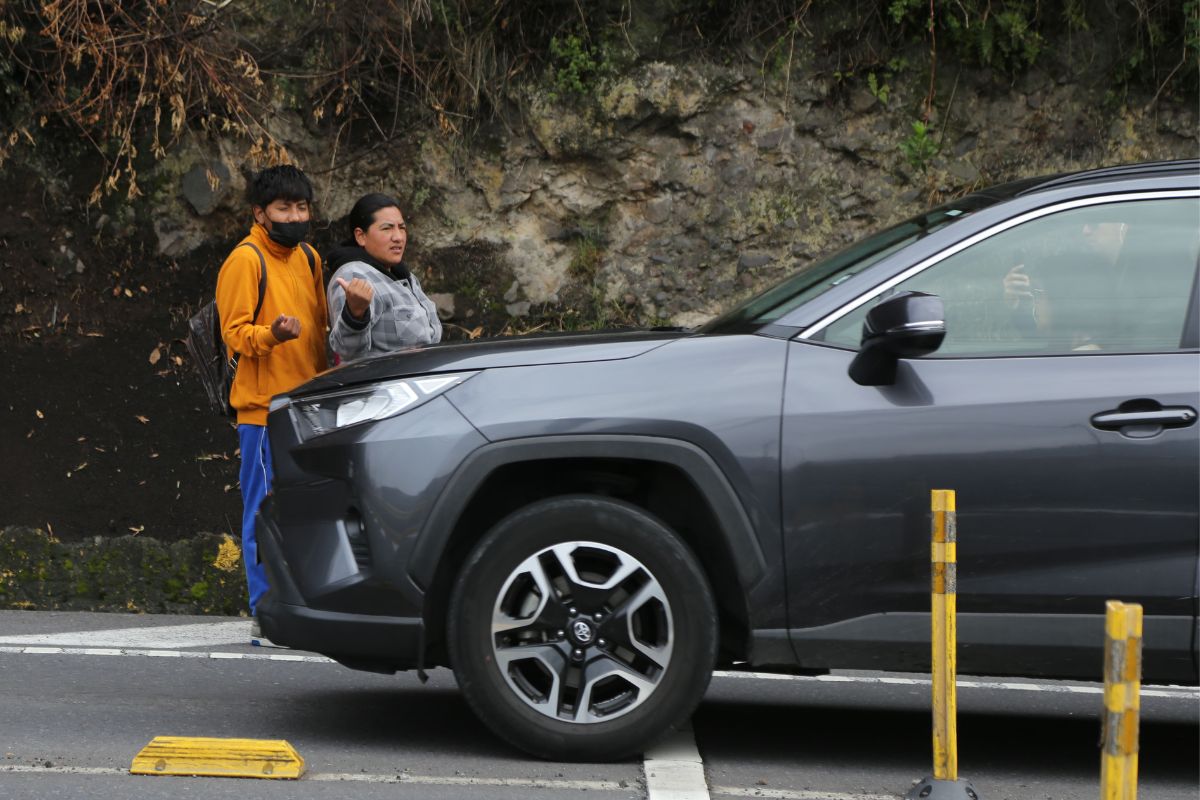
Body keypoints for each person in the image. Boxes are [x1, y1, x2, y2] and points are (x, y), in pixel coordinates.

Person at [215, 164, 328, 641]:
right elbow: (234, 332)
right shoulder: (245, 260)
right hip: (263, 411)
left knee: (309, 512)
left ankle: (303, 606)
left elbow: (322, 328)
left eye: (301, 207)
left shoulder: (308, 258)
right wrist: (273, 334)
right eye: (284, 208)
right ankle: (265, 611)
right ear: (260, 213)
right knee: (263, 512)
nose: (295, 216)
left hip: (308, 407)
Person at [326, 193, 441, 363]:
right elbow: (347, 352)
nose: (398, 237)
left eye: (401, 227)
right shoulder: (354, 274)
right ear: (361, 236)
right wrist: (355, 314)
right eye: (387, 228)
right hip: (383, 386)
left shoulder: (403, 276)